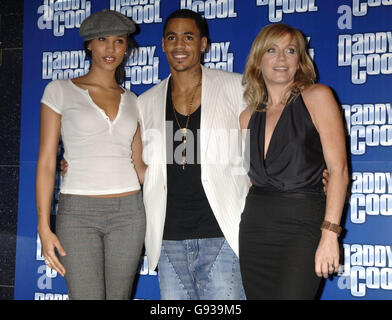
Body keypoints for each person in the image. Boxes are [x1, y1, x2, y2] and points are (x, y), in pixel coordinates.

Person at [137, 9, 249, 300]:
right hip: (169, 236)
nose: (179, 45)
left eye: (188, 37)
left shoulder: (236, 87)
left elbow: (261, 148)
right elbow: (134, 160)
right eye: (172, 37)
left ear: (203, 44)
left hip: (221, 232)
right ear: (162, 45)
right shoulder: (146, 102)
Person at [35, 10, 146, 300]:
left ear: (126, 47)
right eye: (102, 39)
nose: (111, 49)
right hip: (78, 214)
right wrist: (44, 227)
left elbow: (141, 167)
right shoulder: (59, 90)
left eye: (119, 41)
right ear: (88, 45)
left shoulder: (134, 101)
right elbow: (47, 162)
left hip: (129, 213)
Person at [238, 23, 349, 300]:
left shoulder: (318, 98)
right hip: (255, 229)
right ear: (258, 59)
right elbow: (252, 180)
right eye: (272, 50)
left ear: (300, 60)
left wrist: (330, 234)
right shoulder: (247, 116)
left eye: (290, 51)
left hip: (303, 227)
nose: (281, 58)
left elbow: (339, 171)